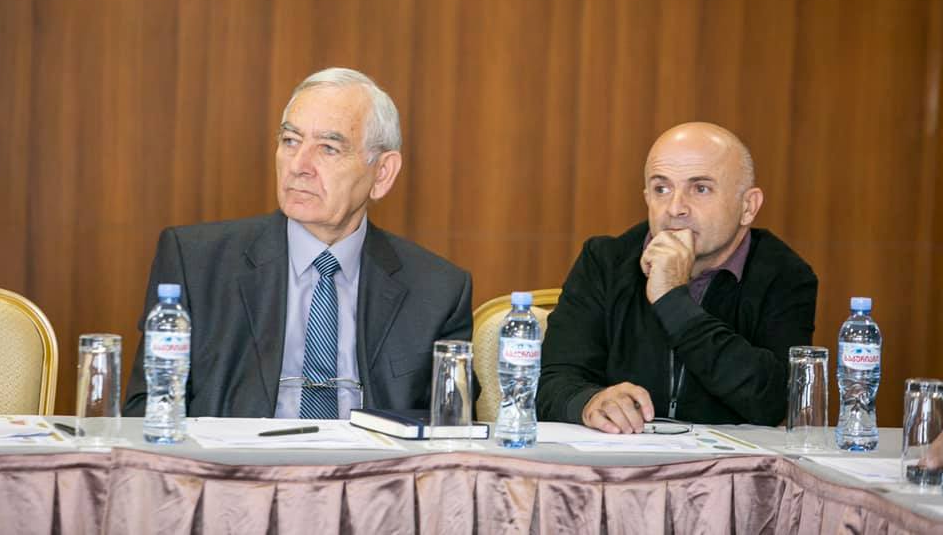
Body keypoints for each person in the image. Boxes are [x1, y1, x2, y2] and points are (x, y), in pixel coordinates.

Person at [125, 68, 473, 419]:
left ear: (382, 173)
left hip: (370, 456)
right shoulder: (196, 264)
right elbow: (148, 410)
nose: (299, 166)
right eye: (290, 141)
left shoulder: (437, 291)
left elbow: (453, 428)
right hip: (240, 456)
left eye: (328, 148)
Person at [537, 122, 818, 433]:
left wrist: (672, 299)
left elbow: (774, 403)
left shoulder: (784, 275)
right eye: (662, 189)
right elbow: (551, 386)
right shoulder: (605, 262)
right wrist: (589, 402)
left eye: (700, 188)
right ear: (647, 198)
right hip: (623, 454)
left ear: (747, 207)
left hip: (725, 460)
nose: (675, 208)